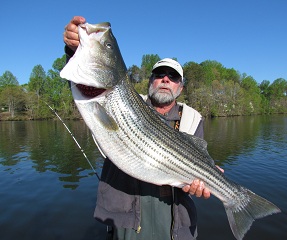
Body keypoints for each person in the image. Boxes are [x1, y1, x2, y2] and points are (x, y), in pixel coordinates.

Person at [63, 16, 223, 240]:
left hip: (176, 225)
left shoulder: (193, 118)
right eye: (159, 75)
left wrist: (203, 179)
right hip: (129, 221)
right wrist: (73, 50)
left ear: (181, 86)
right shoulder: (127, 100)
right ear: (150, 81)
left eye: (173, 76)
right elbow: (83, 78)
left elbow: (198, 164)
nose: (165, 80)